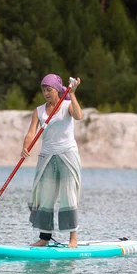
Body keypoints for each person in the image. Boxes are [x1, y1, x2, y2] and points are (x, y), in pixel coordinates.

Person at [21, 74, 83, 248]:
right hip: (46, 157)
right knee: (45, 197)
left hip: (67, 155)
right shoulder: (39, 111)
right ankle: (44, 237)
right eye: (43, 90)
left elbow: (78, 116)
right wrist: (26, 147)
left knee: (68, 196)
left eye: (49, 90)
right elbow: (31, 133)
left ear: (57, 90)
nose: (46, 93)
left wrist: (74, 93)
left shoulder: (67, 105)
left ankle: (73, 239)